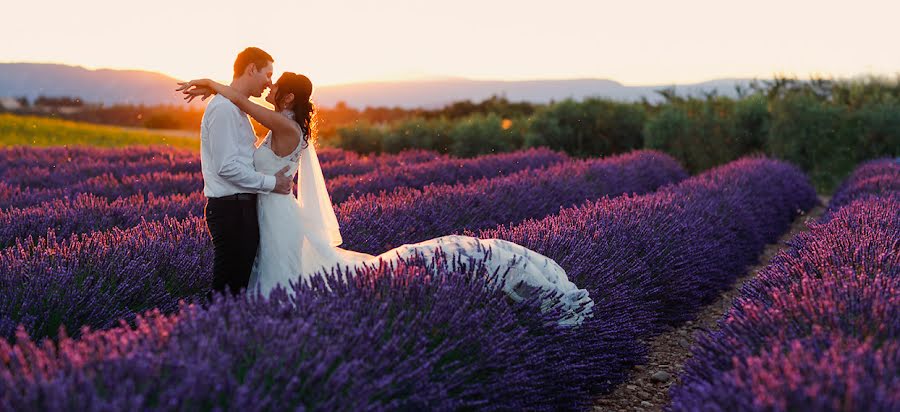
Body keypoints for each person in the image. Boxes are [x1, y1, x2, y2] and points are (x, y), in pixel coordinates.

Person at [178, 72, 593, 325]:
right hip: (270, 208)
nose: (269, 92)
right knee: (277, 273)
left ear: (287, 99)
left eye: (276, 88)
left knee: (282, 274)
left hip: (276, 211)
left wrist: (217, 85)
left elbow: (242, 101)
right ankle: (262, 324)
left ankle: (272, 328)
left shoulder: (285, 127)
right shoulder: (288, 124)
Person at [196, 47, 294, 303]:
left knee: (237, 291)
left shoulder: (236, 108)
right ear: (251, 69)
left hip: (241, 209)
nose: (269, 83)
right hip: (232, 210)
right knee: (227, 293)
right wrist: (273, 183)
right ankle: (200, 339)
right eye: (268, 74)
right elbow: (227, 167)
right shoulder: (224, 110)